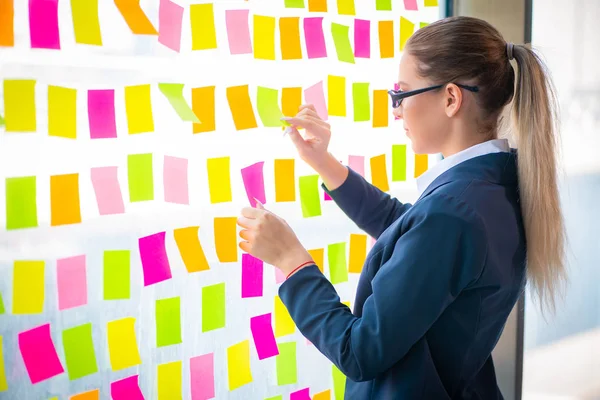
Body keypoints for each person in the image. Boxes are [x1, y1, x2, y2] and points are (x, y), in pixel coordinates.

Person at [236, 16, 566, 399]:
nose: (396, 111)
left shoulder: (455, 212)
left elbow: (359, 351)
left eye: (402, 94)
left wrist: (291, 260)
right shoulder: (492, 186)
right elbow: (408, 228)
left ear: (450, 99)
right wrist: (324, 162)